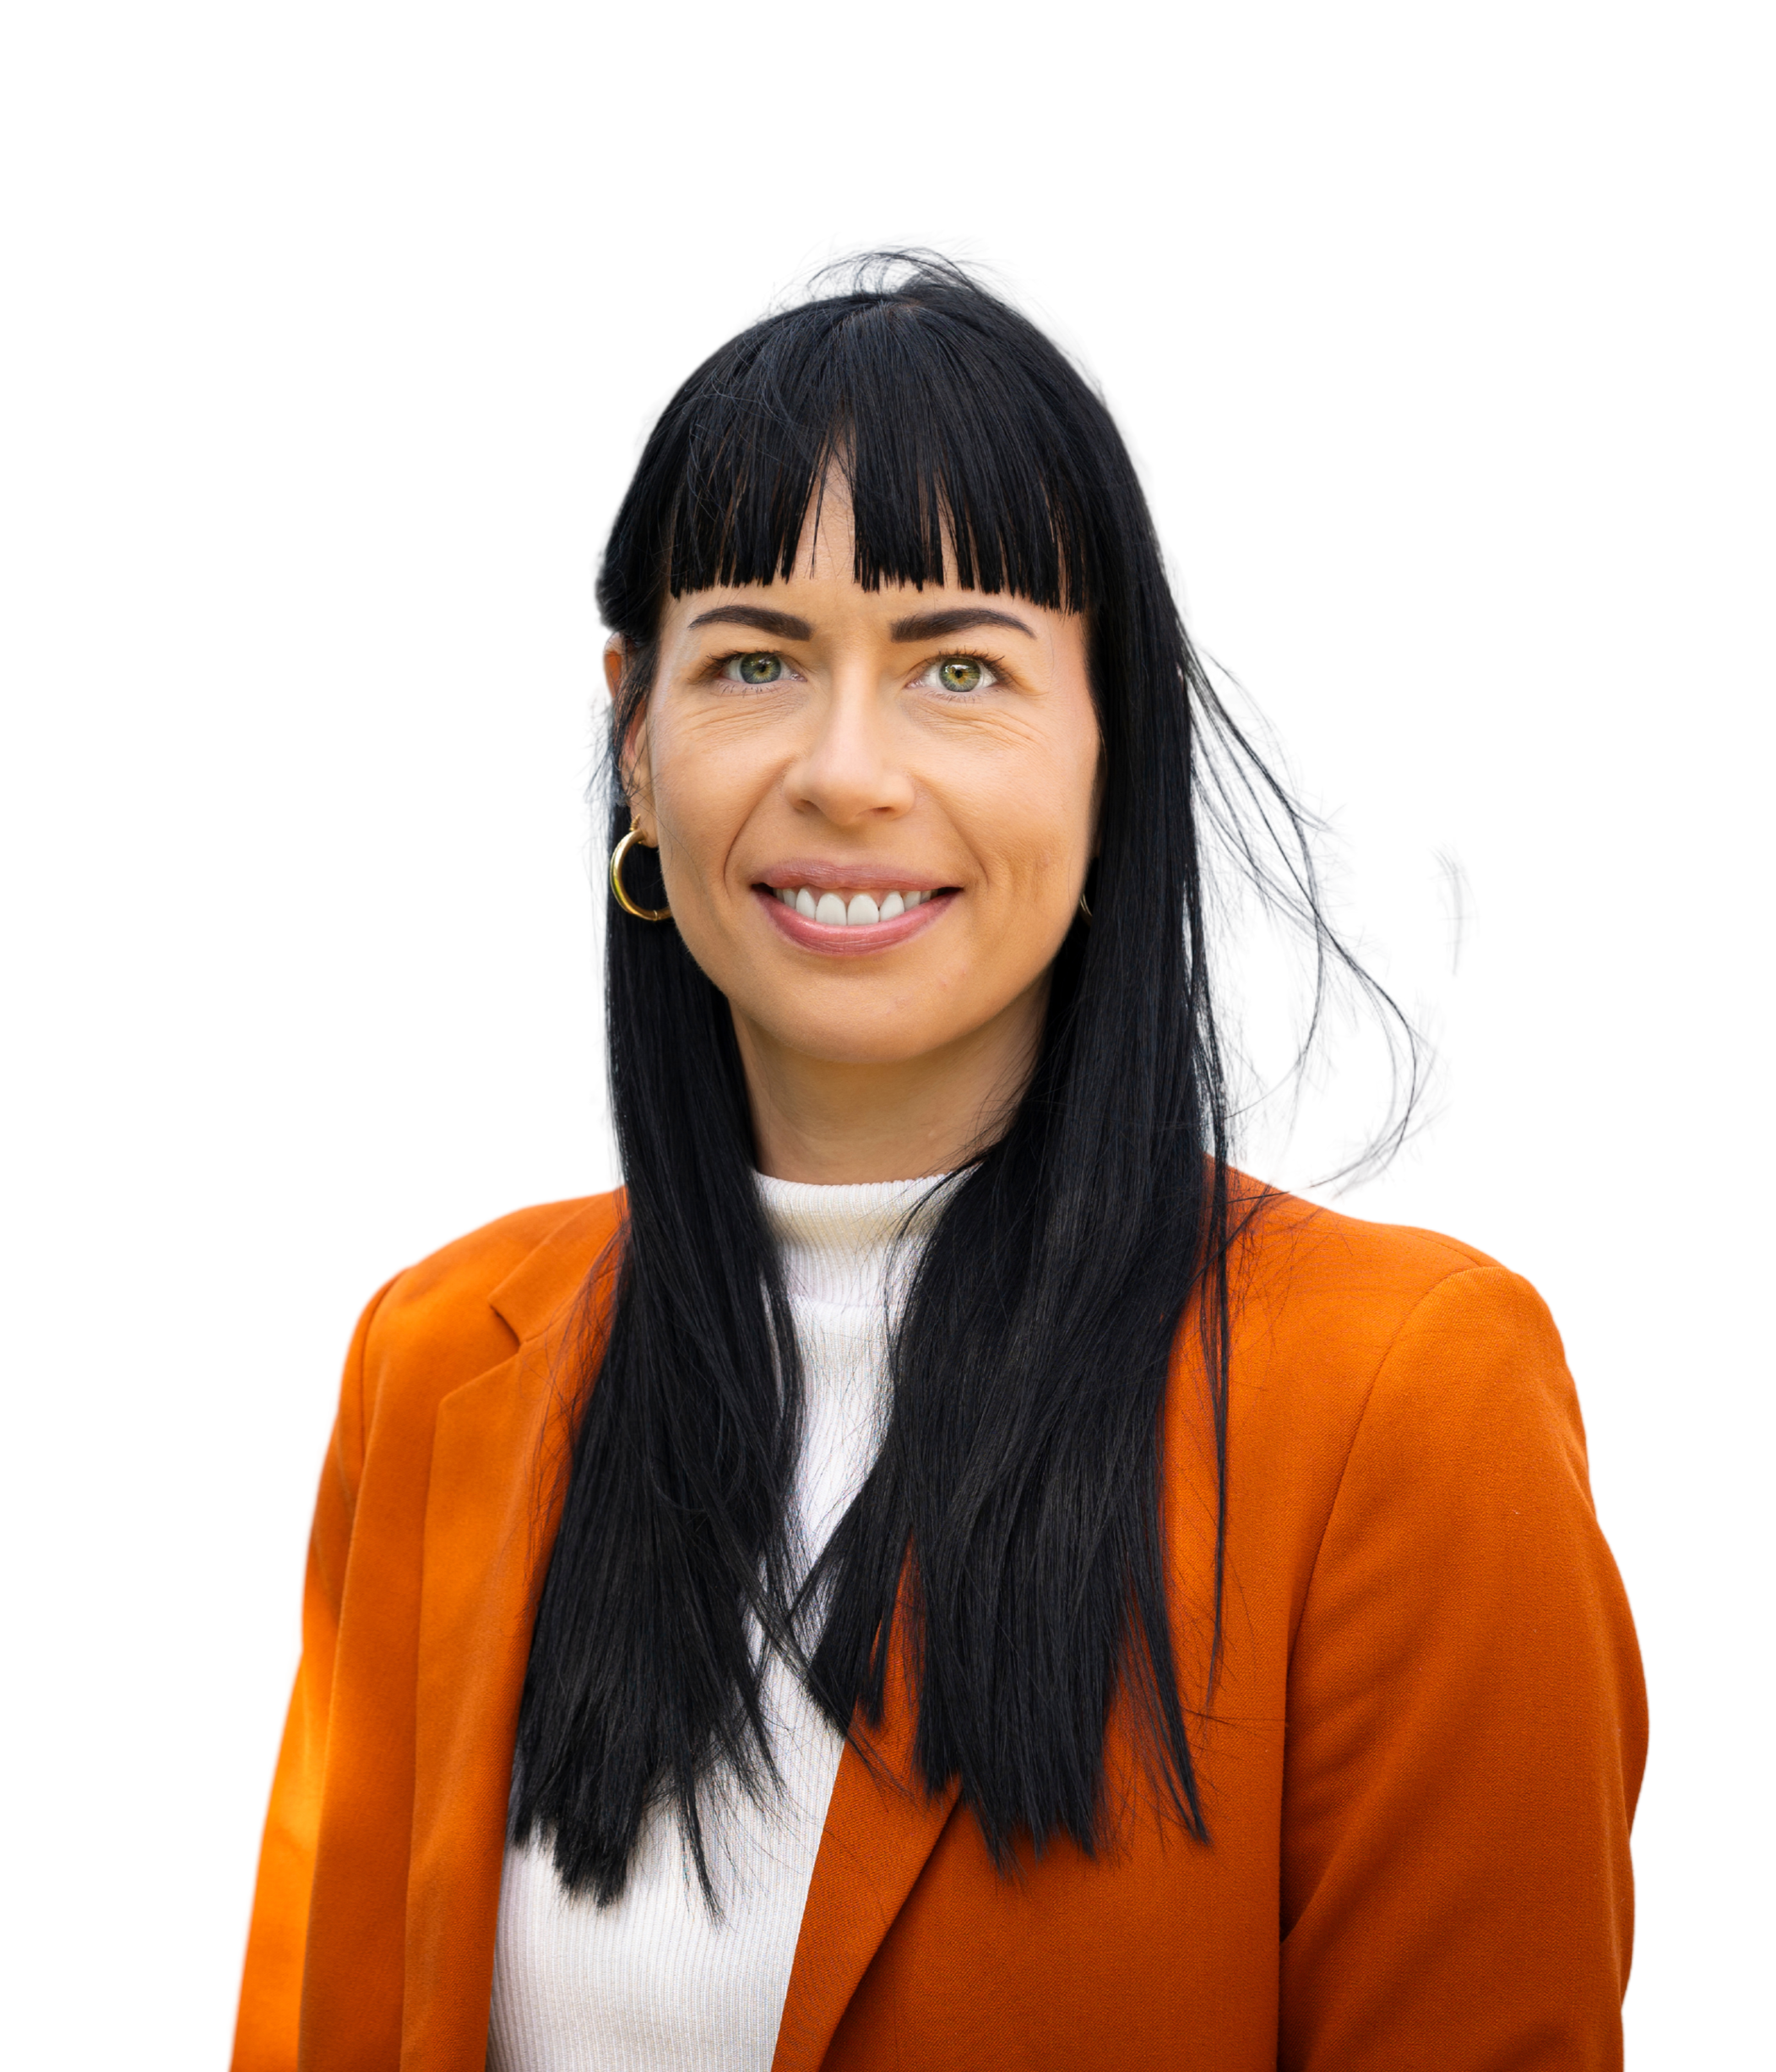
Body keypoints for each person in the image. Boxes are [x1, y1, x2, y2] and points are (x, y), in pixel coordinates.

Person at [225, 231, 1648, 2072]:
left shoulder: (1410, 1400)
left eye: (958, 668)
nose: (845, 770)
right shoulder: (434, 1354)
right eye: (754, 660)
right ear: (636, 745)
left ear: (1113, 752)